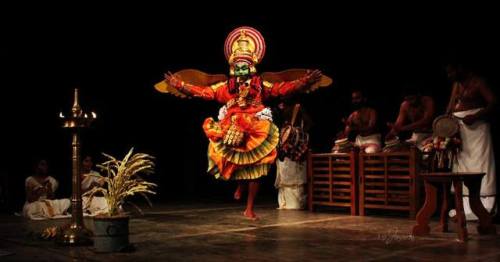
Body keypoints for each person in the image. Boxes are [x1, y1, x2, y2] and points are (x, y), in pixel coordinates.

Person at [161, 27, 325, 220]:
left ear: (252, 66)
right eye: (237, 66)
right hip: (232, 127)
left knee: (258, 169)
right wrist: (180, 85)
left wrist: (304, 81)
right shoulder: (226, 88)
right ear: (232, 67)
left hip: (256, 129)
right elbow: (203, 92)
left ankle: (249, 208)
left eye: (244, 66)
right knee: (231, 158)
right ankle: (239, 185)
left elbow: (283, 88)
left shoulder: (260, 86)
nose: (241, 70)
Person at [446, 63, 497, 220]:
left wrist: (476, 116)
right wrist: (446, 122)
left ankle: (484, 207)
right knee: (462, 165)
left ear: (461, 68)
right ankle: (464, 207)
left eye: (452, 70)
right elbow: (450, 105)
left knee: (480, 164)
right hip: (459, 128)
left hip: (477, 127)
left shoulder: (478, 82)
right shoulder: (457, 84)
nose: (450, 75)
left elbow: (494, 102)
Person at [274, 102, 312, 209]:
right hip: (289, 160)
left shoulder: (296, 131)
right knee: (290, 182)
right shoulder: (290, 130)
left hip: (291, 160)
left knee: (294, 182)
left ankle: (292, 203)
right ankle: (289, 203)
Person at [386, 85, 435, 150]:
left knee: (427, 149)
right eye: (407, 99)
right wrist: (391, 133)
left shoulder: (427, 101)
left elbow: (426, 120)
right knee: (393, 149)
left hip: (430, 135)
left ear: (418, 95)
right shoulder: (405, 105)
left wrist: (402, 128)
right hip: (416, 136)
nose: (410, 102)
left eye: (412, 99)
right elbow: (398, 123)